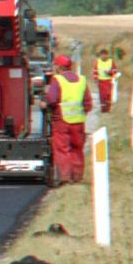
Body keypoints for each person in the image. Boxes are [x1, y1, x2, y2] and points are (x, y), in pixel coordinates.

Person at [45, 54, 92, 184]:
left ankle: (65, 178)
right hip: (78, 122)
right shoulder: (82, 80)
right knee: (77, 149)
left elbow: (52, 99)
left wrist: (46, 105)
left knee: (62, 149)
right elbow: (88, 104)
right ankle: (77, 177)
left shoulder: (57, 80)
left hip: (62, 121)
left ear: (59, 67)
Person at [93, 47, 119, 112]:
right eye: (102, 55)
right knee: (102, 96)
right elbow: (95, 71)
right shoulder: (97, 62)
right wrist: (95, 79)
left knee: (108, 95)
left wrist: (110, 72)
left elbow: (115, 71)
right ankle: (103, 109)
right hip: (101, 81)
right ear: (100, 55)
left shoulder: (111, 62)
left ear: (107, 55)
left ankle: (108, 109)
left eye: (105, 55)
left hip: (109, 81)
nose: (103, 56)